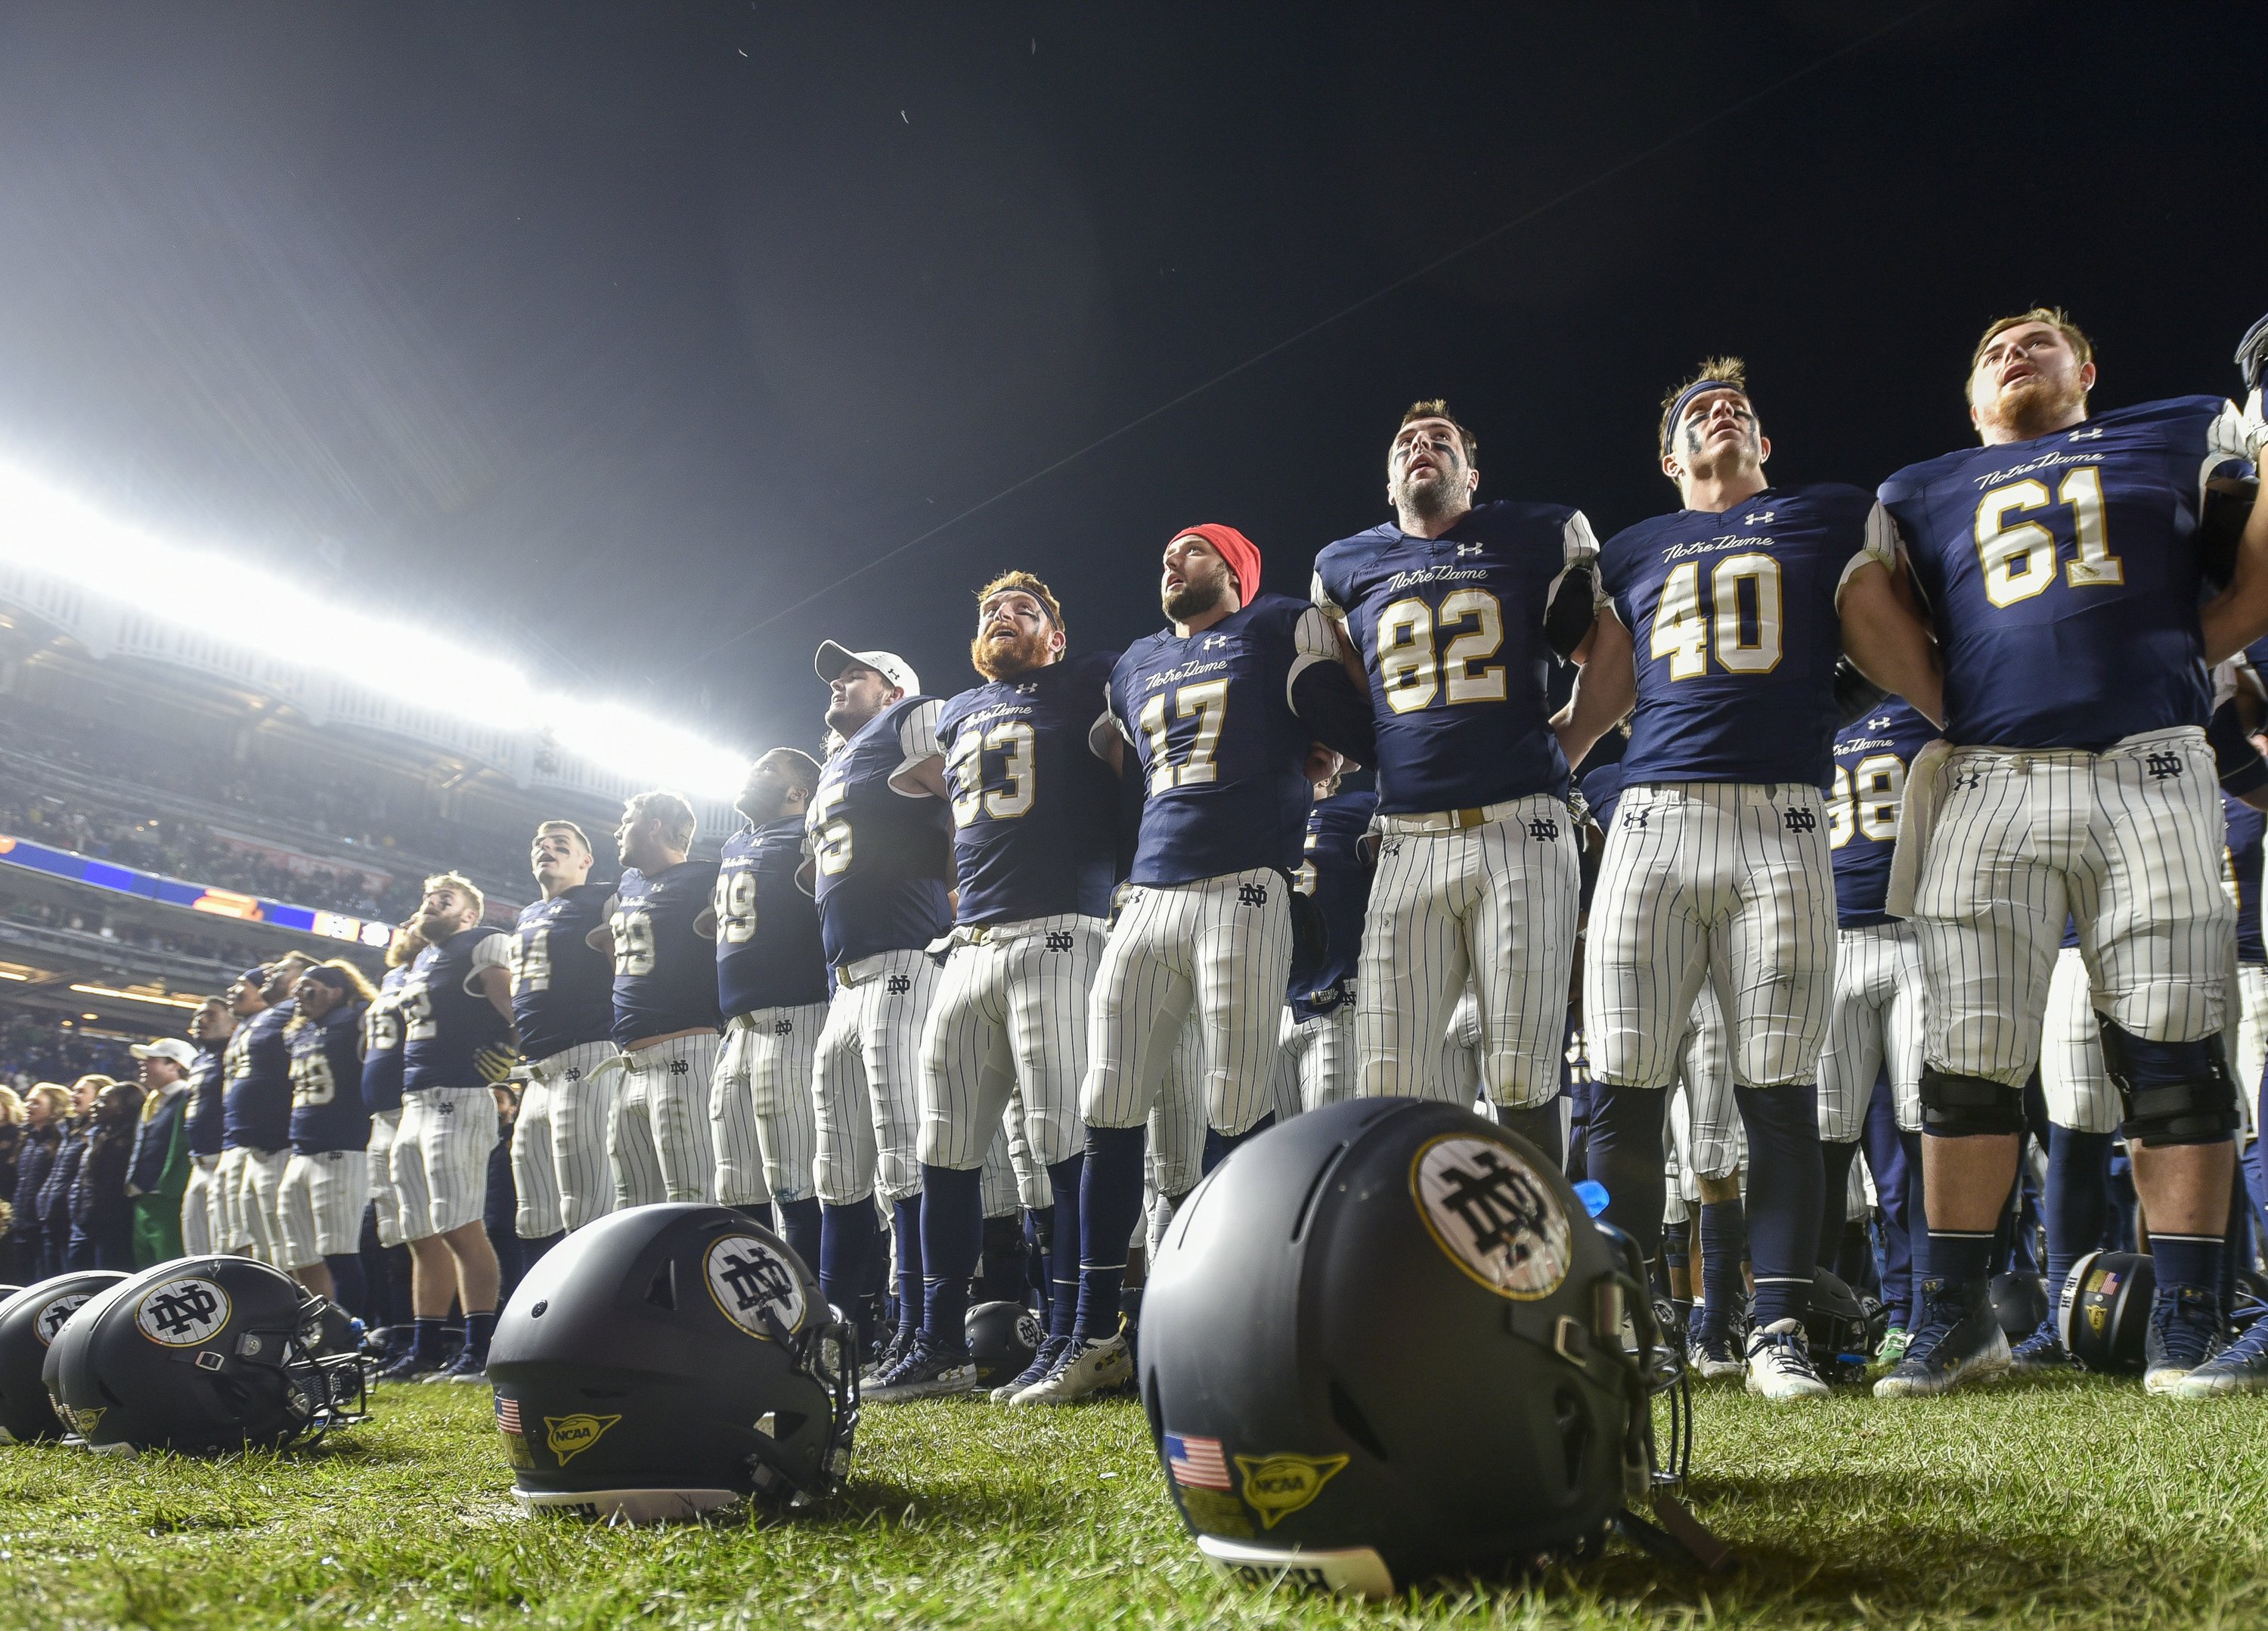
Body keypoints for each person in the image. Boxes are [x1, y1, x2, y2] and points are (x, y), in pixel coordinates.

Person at [1861, 307, 2268, 1398]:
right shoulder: (1919, 488)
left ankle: (2190, 1313)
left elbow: (2250, 566)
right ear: (1971, 397)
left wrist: (2190, 653)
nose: (2010, 347)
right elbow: (1865, 604)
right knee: (1965, 1054)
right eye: (1990, 343)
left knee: (2176, 1046)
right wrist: (1950, 701)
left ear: (2086, 368)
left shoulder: (2177, 428)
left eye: (2037, 338)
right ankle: (1957, 1313)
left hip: (2151, 760)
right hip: (1992, 774)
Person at [1560, 358, 1942, 1400]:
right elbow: (1596, 705)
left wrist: (1987, 723)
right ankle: (1624, 1320)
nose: (1720, 412)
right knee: (1622, 1094)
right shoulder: (1633, 547)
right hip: (1651, 819)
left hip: (1781, 817)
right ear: (1669, 455)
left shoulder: (1826, 517)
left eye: (1738, 407)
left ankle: (1775, 1324)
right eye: (1696, 410)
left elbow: (1903, 654)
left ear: (1762, 443)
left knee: (1777, 1091)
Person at [1015, 523, 1361, 1405]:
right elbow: (1111, 763)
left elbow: (1353, 717)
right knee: (1109, 1103)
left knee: (1236, 1100)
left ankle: (1222, 1316)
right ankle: (1094, 1332)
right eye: (1168, 551)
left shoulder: (1281, 625)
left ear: (1238, 573)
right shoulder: (1129, 663)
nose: (1174, 560)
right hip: (1150, 893)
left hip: (1246, 884)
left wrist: (1318, 758)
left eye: (1196, 551)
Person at [1311, 401, 1594, 1149]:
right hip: (1407, 838)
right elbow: (1355, 688)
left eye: (1440, 441)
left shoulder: (1532, 533)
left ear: (1472, 473)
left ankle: (1537, 1260)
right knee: (1388, 1077)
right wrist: (1334, 756)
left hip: (1521, 830)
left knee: (1523, 1071)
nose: (1420, 447)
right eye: (1406, 441)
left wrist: (1571, 741)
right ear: (1389, 480)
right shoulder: (1347, 565)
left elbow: (1610, 654)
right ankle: (1409, 1259)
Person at [869, 572, 1119, 1402]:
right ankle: (937, 1341)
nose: (1003, 619)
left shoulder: (1090, 679)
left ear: (1055, 634)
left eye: (1024, 611)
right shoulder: (958, 712)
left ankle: (1082, 1328)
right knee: (942, 1145)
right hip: (969, 942)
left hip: (1059, 927)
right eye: (989, 613)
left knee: (1060, 1138)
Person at [804, 642, 955, 1375]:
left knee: (904, 1155)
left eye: (855, 673)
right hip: (847, 979)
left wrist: (960, 898)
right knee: (838, 1166)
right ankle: (835, 1343)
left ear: (894, 689)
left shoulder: (913, 722)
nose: (838, 680)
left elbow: (976, 804)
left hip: (904, 956)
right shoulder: (835, 762)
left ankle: (925, 1335)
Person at [1817, 698, 1940, 1361]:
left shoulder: (1916, 701)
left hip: (1915, 933)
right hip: (1833, 942)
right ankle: (1816, 1314)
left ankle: (1922, 1311)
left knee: (1919, 1144)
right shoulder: (1813, 704)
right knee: (1827, 1144)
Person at [382, 873, 513, 1384]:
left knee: (461, 1226)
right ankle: (426, 1347)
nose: (431, 904)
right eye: (428, 898)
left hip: (456, 1098)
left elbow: (511, 1006)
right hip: (415, 1101)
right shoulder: (421, 959)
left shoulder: (482, 942)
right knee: (421, 1234)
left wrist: (513, 1052)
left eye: (446, 898)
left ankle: (480, 1348)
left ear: (469, 914)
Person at [711, 749, 830, 1269]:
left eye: (767, 769)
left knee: (796, 1184)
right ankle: (756, 1319)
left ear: (797, 791)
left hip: (795, 1018)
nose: (752, 773)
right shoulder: (735, 842)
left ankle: (817, 1323)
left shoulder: (811, 830)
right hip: (736, 1031)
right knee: (736, 1191)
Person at [599, 791, 722, 1208]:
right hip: (629, 1065)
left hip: (687, 1052)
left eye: (627, 819)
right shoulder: (629, 885)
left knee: (690, 1198)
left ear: (653, 826)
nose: (618, 830)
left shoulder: (708, 878)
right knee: (629, 1207)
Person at [509, 820, 619, 1239]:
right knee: (533, 1216)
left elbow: (623, 967)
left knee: (587, 1205)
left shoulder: (601, 897)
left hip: (587, 1054)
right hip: (537, 1069)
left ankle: (597, 1305)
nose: (547, 849)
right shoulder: (527, 914)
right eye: (540, 843)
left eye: (561, 845)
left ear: (585, 861)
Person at [280, 963, 376, 1313]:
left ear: (336, 991)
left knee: (340, 1251)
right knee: (299, 1254)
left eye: (309, 986)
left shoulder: (355, 1019)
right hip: (301, 1151)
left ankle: (352, 1336)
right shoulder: (301, 1031)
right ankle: (322, 1329)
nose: (298, 993)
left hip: (343, 1149)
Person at [1282, 766, 1377, 1112]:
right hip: (1266, 1008)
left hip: (1334, 999)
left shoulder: (1360, 806)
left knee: (1327, 1145)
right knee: (1273, 1157)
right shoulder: (1265, 817)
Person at [222, 955, 314, 1264]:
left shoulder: (296, 1013)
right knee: (258, 1245)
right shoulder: (265, 1016)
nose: (271, 973)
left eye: (282, 970)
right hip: (252, 1145)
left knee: (286, 1248)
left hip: (279, 1143)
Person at [124, 1037, 197, 1267]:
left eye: (152, 1060)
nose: (144, 1065)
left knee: (169, 1270)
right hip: (143, 1199)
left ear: (175, 1065)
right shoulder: (153, 1101)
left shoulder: (188, 1097)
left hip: (169, 1198)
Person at [178, 996, 234, 1258]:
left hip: (224, 1159)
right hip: (198, 1163)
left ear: (234, 1025)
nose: (200, 1020)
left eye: (211, 1015)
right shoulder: (200, 1060)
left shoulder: (234, 1055)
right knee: (195, 1250)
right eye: (198, 1015)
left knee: (225, 1247)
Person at [67, 1078, 144, 1270]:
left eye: (103, 1101)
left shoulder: (132, 1141)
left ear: (124, 1107)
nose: (94, 1105)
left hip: (113, 1227)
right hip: (88, 1222)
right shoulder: (100, 1136)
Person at [10, 1083, 67, 1281]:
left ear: (54, 1109)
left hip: (44, 1224)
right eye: (27, 1101)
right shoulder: (27, 1138)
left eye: (36, 1102)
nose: (28, 1105)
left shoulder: (61, 1139)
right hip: (22, 1223)